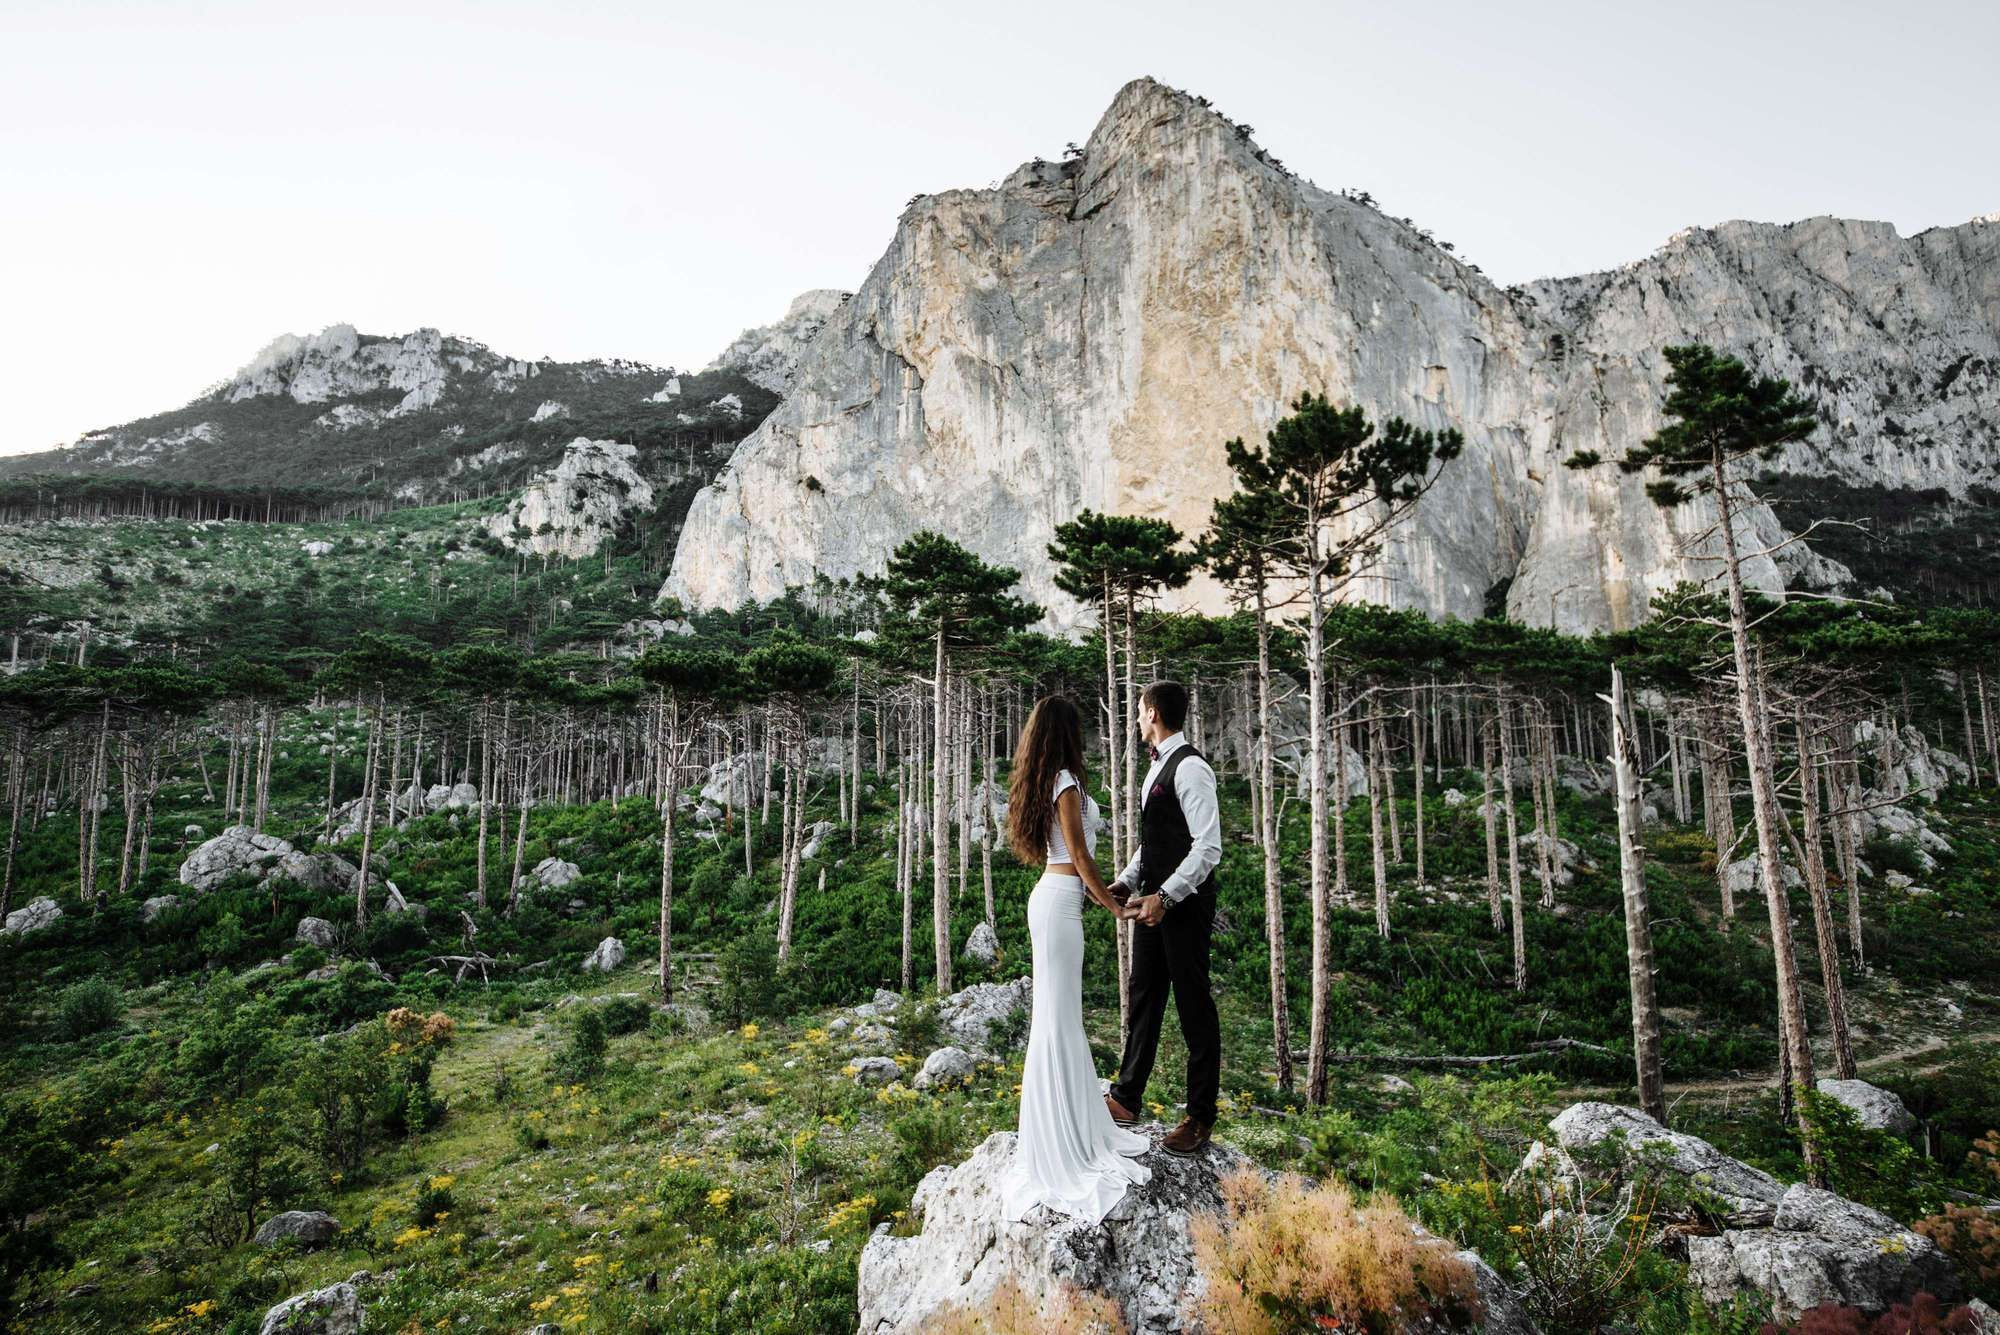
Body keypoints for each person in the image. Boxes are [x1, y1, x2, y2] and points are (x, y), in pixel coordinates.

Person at [998, 695, 1151, 1224]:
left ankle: (1060, 1127)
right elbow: (1080, 855)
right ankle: (1059, 1142)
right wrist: (1113, 905)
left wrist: (1101, 897)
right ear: (1066, 732)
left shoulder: (1050, 778)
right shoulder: (1063, 781)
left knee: (1060, 1019)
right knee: (1059, 1020)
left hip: (1058, 900)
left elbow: (1075, 861)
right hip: (1060, 905)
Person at [1105, 681, 1223, 1158]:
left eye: (1137, 712)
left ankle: (1200, 1117)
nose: (1135, 720)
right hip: (1152, 901)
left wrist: (1166, 897)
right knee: (1143, 996)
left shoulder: (1192, 768)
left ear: (1153, 713)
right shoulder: (1156, 768)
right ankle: (1127, 1098)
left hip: (1184, 908)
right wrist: (1128, 881)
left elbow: (1208, 846)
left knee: (1194, 1006)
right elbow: (1155, 841)